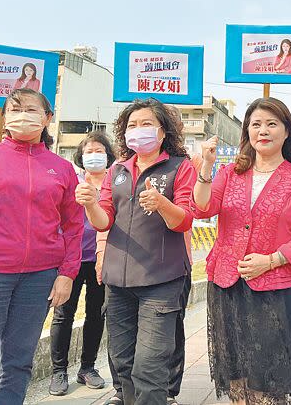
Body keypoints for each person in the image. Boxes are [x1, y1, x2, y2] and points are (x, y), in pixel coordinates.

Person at [191, 97, 291, 405]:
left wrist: (271, 260)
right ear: (247, 131)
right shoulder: (229, 173)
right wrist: (206, 167)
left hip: (276, 292)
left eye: (272, 124)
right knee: (238, 375)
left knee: (269, 378)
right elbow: (201, 207)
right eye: (256, 124)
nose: (263, 131)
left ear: (287, 132)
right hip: (228, 287)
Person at [76, 98, 196, 405]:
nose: (138, 130)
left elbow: (184, 219)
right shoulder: (117, 169)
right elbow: (103, 220)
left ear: (162, 131)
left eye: (146, 124)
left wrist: (162, 203)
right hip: (118, 281)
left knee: (150, 366)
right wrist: (90, 203)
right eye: (132, 125)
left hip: (162, 281)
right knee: (124, 362)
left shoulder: (179, 167)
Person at [0, 88, 83, 404]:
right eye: (14, 110)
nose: (22, 116)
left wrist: (67, 273)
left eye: (31, 110)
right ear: (5, 118)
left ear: (47, 118)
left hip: (40, 278)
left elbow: (72, 225)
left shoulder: (63, 168)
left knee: (18, 361)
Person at [49, 131, 116, 396]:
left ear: (107, 155)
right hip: (70, 259)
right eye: (89, 152)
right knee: (63, 315)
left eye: (99, 151)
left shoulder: (114, 182)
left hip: (101, 259)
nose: (94, 156)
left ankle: (87, 367)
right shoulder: (71, 181)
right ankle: (58, 371)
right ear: (81, 156)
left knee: (96, 315)